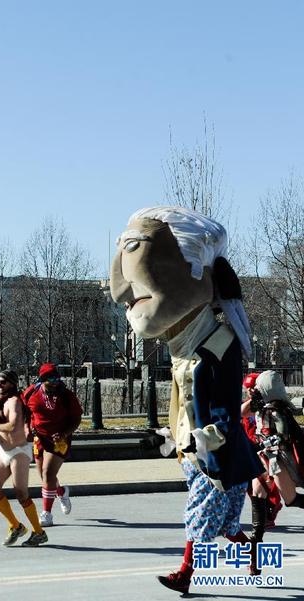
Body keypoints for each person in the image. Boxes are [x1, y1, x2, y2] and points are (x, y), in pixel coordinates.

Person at [110, 206, 264, 594]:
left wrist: (206, 437)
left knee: (199, 514)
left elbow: (224, 408)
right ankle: (252, 555)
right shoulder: (183, 349)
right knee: (226, 524)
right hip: (194, 451)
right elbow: (184, 406)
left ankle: (185, 574)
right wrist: (167, 435)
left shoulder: (219, 344)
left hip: (217, 453)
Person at [0, 370, 47, 547]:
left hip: (19, 451)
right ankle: (16, 526)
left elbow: (12, 425)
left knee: (20, 492)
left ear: (12, 383)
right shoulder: (0, 401)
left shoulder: (14, 402)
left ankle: (39, 531)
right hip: (4, 451)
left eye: (3, 382)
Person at [22, 363, 82, 527]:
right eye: (51, 379)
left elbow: (76, 419)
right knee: (44, 475)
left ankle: (46, 514)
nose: (55, 382)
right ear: (42, 380)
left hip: (59, 440)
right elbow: (25, 411)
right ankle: (62, 492)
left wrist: (64, 433)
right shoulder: (31, 392)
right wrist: (27, 428)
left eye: (57, 378)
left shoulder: (66, 395)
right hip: (39, 438)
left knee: (48, 473)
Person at [250, 370, 304, 510]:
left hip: (277, 457)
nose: (254, 390)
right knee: (258, 492)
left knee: (290, 499)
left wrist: (262, 443)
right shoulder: (263, 407)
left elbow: (282, 436)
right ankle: (258, 531)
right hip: (265, 455)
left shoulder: (276, 410)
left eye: (257, 387)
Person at [240, 372, 282, 546]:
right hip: (252, 451)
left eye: (253, 388)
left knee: (275, 491)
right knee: (254, 489)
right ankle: (256, 539)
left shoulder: (274, 405)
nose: (250, 392)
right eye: (248, 389)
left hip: (270, 451)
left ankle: (270, 513)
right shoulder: (251, 405)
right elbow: (241, 413)